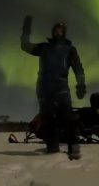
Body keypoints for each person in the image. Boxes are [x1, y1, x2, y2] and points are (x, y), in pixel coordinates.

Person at [20, 15, 86, 160]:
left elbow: (78, 68)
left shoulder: (70, 49)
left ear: (64, 32)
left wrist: (81, 84)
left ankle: (74, 149)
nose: (58, 32)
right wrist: (26, 30)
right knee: (48, 119)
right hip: (44, 89)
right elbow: (25, 46)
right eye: (55, 30)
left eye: (60, 30)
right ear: (52, 32)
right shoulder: (44, 47)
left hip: (61, 87)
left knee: (68, 117)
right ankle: (52, 149)